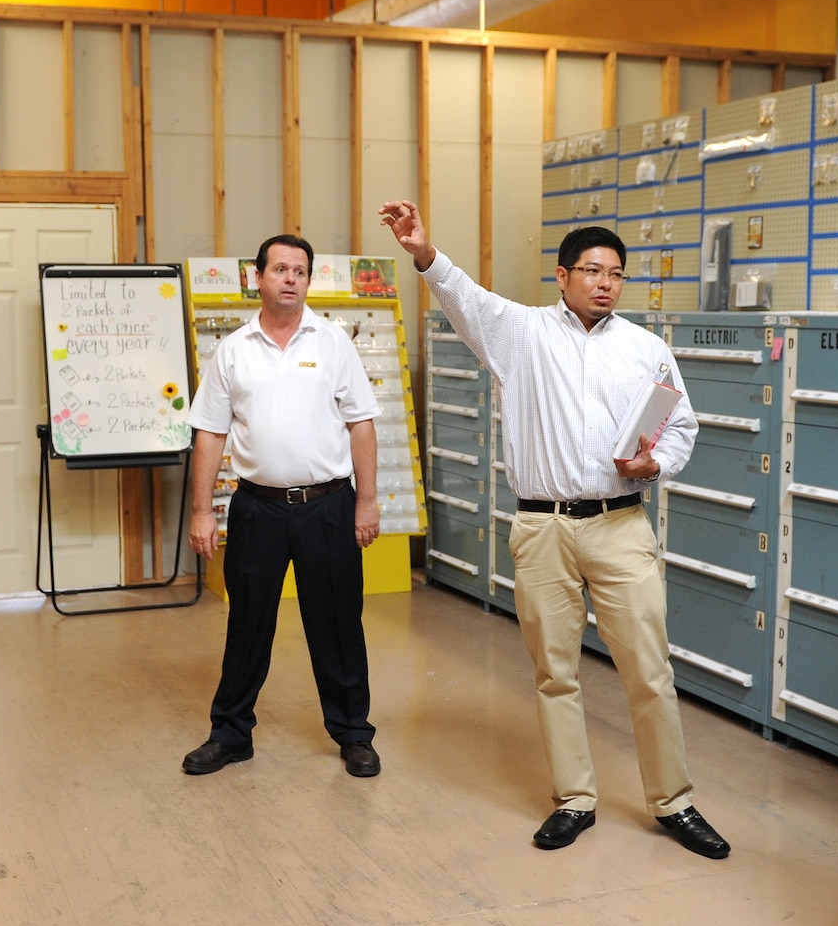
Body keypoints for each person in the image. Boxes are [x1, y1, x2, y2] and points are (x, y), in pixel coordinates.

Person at [379, 200, 730, 859]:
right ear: (563, 277)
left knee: (650, 672)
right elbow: (463, 295)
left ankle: (673, 802)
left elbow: (680, 424)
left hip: (620, 525)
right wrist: (423, 251)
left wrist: (655, 460)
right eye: (592, 271)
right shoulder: (520, 332)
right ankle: (575, 798)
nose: (604, 283)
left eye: (616, 274)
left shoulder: (645, 349)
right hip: (543, 529)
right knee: (555, 674)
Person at [182, 234, 384, 778]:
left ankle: (353, 734)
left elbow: (361, 423)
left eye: (300, 270)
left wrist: (367, 501)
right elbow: (209, 432)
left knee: (338, 623)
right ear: (259, 278)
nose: (290, 278)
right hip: (258, 509)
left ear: (308, 280)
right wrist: (203, 510)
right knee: (248, 622)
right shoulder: (234, 349)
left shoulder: (334, 343)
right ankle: (230, 733)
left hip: (329, 507)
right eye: (280, 269)